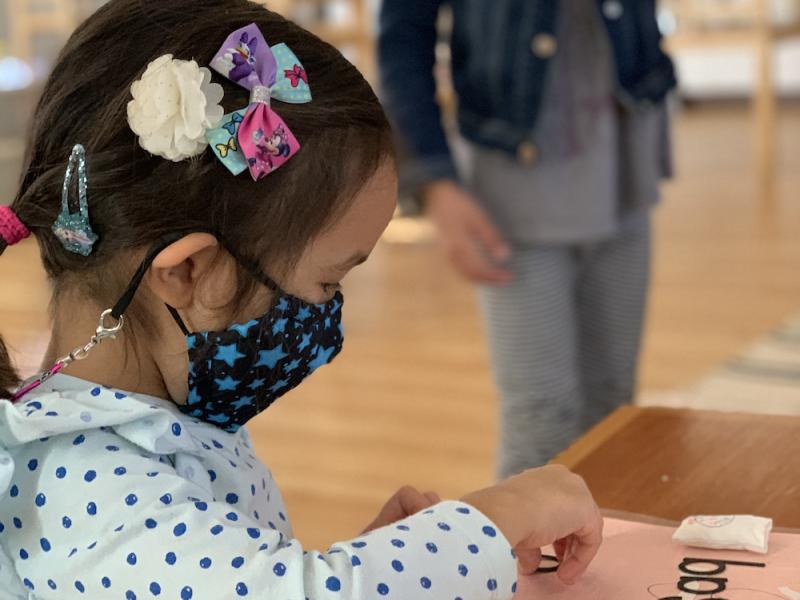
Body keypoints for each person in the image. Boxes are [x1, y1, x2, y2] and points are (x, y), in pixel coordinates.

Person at [0, 1, 602, 598]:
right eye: (328, 282)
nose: (329, 314)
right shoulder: (87, 483)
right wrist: (500, 515)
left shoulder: (154, 418)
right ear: (186, 272)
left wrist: (378, 559)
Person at [379, 0, 676, 478]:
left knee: (614, 408)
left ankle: (610, 550)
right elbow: (402, 43)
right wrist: (433, 183)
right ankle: (524, 554)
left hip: (624, 162)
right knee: (542, 422)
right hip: (512, 187)